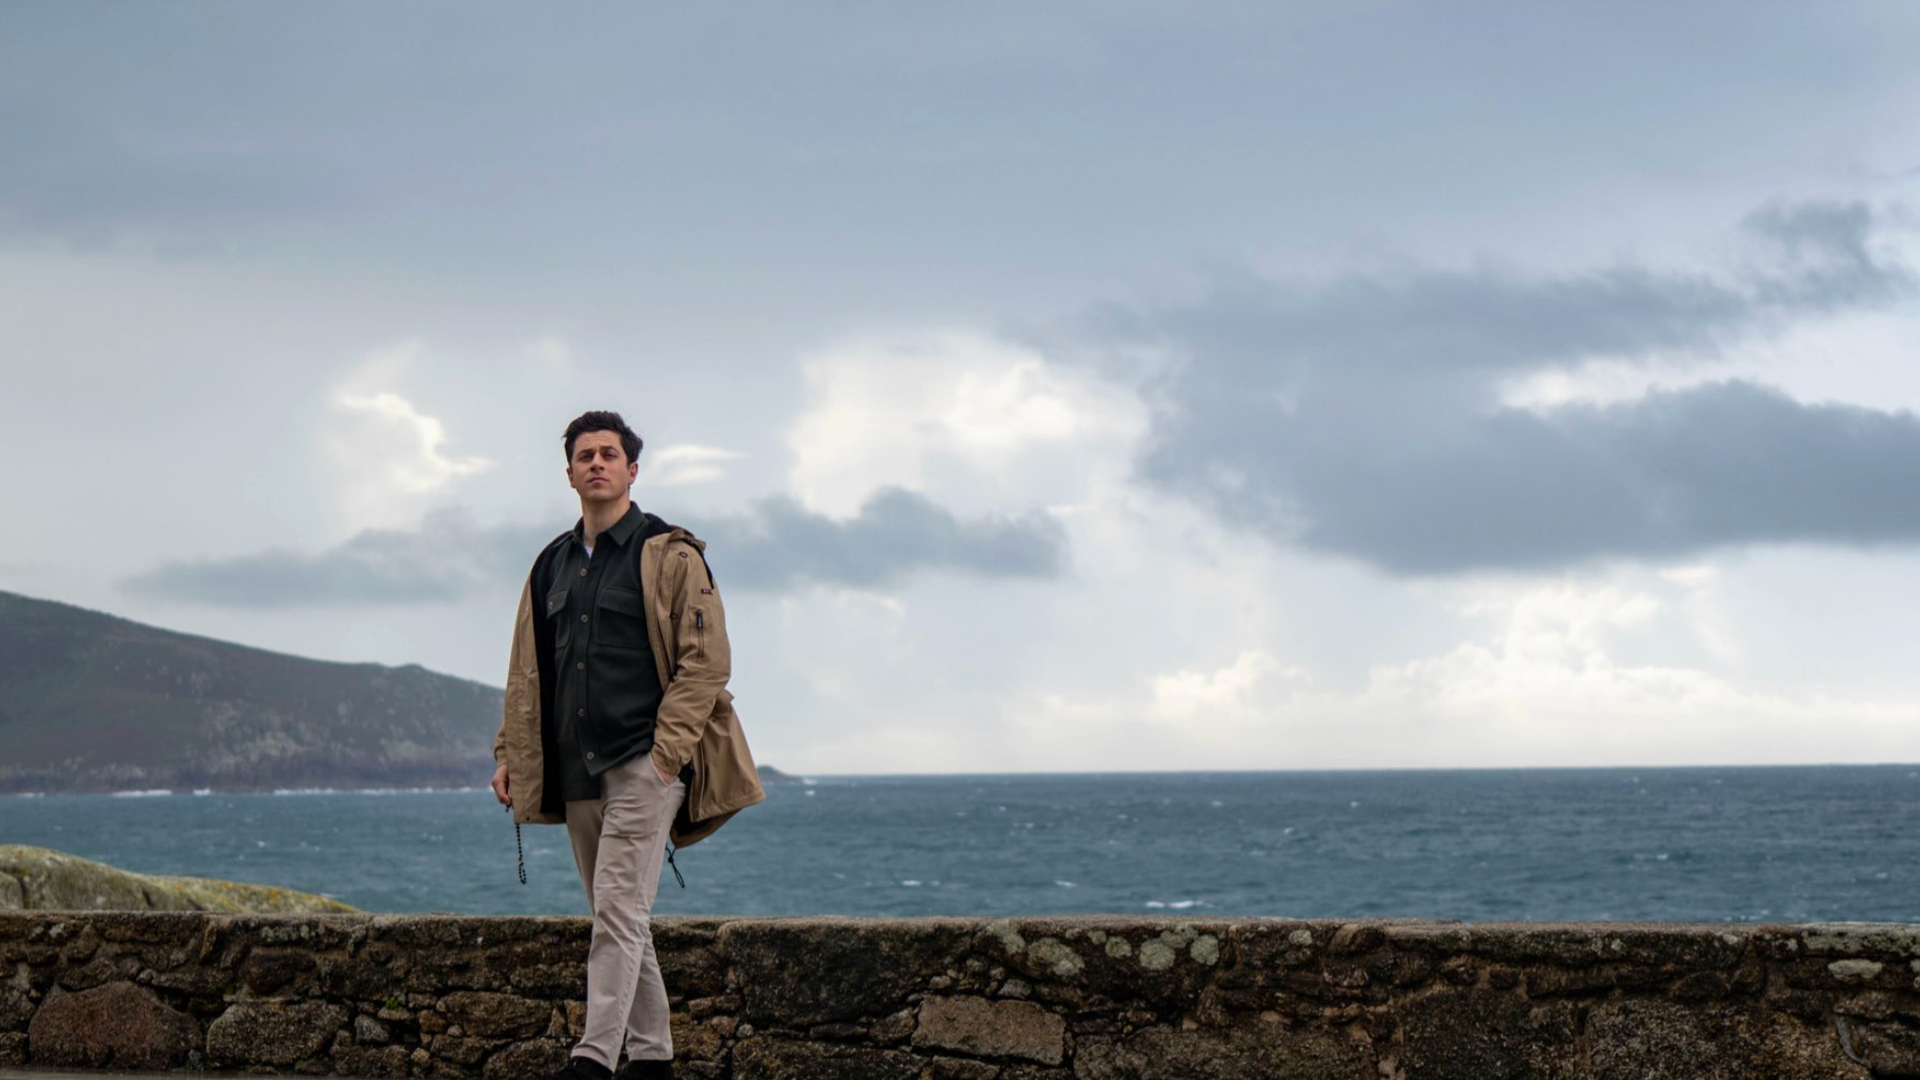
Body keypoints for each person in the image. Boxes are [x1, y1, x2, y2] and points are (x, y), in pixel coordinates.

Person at [491, 410, 764, 1080]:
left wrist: (666, 756)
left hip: (646, 760)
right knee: (619, 915)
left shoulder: (671, 555)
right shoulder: (550, 564)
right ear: (569, 474)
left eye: (609, 454)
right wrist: (509, 752)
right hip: (575, 767)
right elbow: (527, 667)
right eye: (584, 455)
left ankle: (593, 1059)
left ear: (632, 470)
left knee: (616, 906)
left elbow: (706, 664)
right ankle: (652, 1058)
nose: (596, 464)